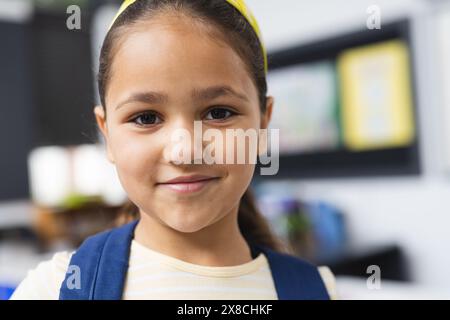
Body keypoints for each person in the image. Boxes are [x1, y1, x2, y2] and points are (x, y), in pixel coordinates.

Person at [11, 0, 337, 300]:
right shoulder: (54, 288)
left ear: (263, 124)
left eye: (218, 113)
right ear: (107, 134)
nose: (184, 152)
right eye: (146, 118)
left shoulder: (318, 290)